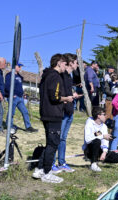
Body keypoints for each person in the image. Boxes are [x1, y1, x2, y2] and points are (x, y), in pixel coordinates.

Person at [33, 54, 74, 183]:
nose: (66, 67)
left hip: (46, 112)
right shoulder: (55, 76)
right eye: (65, 64)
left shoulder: (46, 75)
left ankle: (40, 168)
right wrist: (66, 99)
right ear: (59, 63)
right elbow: (55, 97)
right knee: (53, 143)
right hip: (53, 114)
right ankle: (47, 172)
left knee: (50, 143)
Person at [54, 53, 80, 173]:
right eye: (76, 62)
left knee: (63, 138)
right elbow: (60, 94)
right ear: (71, 63)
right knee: (57, 138)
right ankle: (53, 162)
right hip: (63, 111)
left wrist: (73, 95)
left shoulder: (69, 76)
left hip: (69, 111)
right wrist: (67, 97)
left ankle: (62, 162)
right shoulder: (62, 76)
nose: (78, 65)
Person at [4, 63, 37, 133]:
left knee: (25, 111)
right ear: (14, 66)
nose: (20, 68)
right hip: (13, 97)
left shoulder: (19, 76)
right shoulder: (9, 75)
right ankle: (9, 126)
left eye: (21, 67)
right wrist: (12, 94)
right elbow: (7, 86)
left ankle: (28, 127)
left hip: (20, 98)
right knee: (11, 112)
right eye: (19, 66)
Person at [83, 106, 111, 172]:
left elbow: (105, 141)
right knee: (97, 141)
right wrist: (102, 136)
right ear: (98, 116)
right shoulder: (89, 123)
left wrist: (104, 152)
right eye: (104, 114)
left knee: (116, 158)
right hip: (89, 149)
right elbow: (87, 139)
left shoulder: (104, 126)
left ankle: (98, 158)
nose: (105, 116)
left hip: (99, 149)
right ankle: (93, 164)